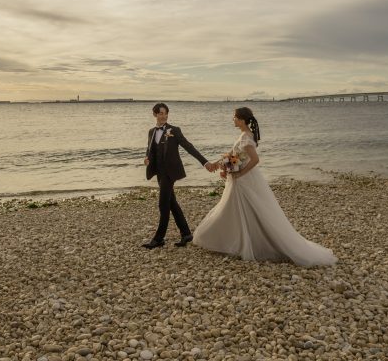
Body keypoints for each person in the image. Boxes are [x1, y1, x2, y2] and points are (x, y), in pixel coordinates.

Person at [193, 107, 337, 266]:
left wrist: (240, 174)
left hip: (244, 180)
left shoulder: (247, 139)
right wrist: (223, 166)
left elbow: (254, 160)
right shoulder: (244, 135)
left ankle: (233, 240)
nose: (232, 119)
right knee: (237, 208)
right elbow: (235, 155)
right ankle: (237, 240)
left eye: (234, 117)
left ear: (241, 120)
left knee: (245, 209)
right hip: (239, 179)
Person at [142, 102, 217, 249]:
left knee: (163, 204)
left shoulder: (174, 130)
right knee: (172, 203)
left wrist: (205, 162)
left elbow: (189, 147)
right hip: (159, 172)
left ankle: (158, 239)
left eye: (165, 113)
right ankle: (186, 234)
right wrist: (146, 158)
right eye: (160, 113)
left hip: (170, 172)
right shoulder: (151, 131)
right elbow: (150, 149)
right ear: (155, 115)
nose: (163, 116)